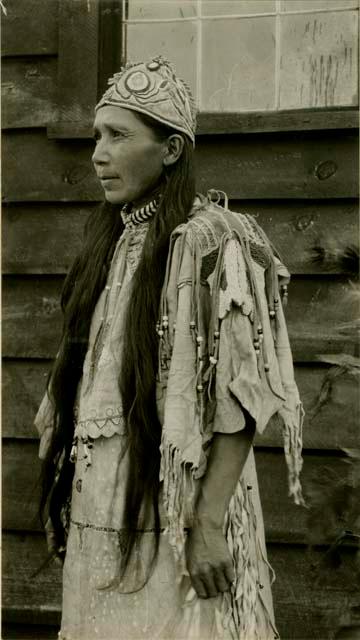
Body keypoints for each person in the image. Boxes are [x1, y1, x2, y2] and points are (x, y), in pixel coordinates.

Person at [34, 56, 304, 640]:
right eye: (96, 136)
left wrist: (207, 522)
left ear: (172, 150)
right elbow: (85, 391)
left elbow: (242, 397)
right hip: (104, 504)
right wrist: (62, 490)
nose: (98, 154)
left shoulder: (213, 242)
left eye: (119, 136)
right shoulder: (110, 240)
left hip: (178, 512)